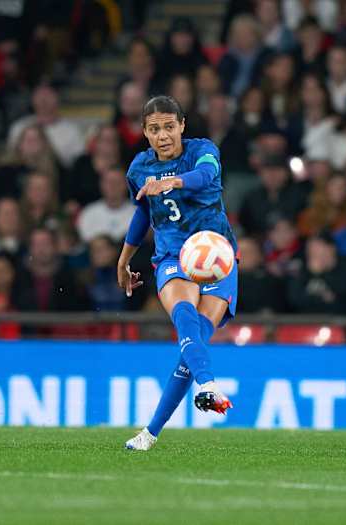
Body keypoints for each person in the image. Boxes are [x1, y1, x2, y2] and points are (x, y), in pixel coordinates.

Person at [118, 95, 239, 451]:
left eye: (169, 127)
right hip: (173, 256)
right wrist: (124, 259)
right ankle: (208, 384)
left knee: (195, 339)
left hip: (218, 256)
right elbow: (143, 214)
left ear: (182, 126)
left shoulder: (203, 150)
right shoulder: (139, 169)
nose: (163, 135)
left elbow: (205, 176)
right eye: (154, 129)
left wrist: (172, 182)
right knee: (184, 315)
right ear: (144, 132)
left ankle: (150, 433)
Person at [77, 168, 136, 244]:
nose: (112, 186)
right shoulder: (88, 213)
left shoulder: (139, 214)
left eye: (117, 182)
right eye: (108, 182)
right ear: (101, 184)